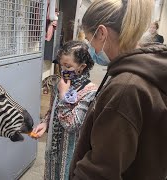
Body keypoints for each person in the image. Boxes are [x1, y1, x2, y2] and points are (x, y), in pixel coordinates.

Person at [69, 0, 167, 180]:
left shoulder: (125, 89)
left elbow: (100, 172)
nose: (90, 49)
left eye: (89, 40)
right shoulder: (148, 72)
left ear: (101, 33)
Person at [33, 41, 98, 180]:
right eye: (61, 65)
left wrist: (63, 95)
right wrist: (46, 123)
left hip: (70, 152)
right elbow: (52, 109)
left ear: (82, 67)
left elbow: (72, 124)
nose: (63, 70)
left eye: (68, 66)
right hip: (53, 149)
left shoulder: (89, 91)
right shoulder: (60, 83)